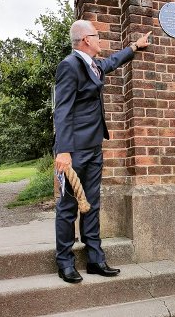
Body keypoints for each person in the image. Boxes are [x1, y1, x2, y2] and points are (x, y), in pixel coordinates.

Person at [54, 19, 151, 283]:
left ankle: (95, 259)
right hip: (73, 151)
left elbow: (111, 63)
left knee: (92, 204)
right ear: (86, 39)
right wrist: (63, 151)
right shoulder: (69, 66)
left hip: (94, 147)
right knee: (68, 206)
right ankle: (65, 262)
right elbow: (61, 110)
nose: (100, 40)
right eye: (97, 36)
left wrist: (134, 47)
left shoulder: (93, 65)